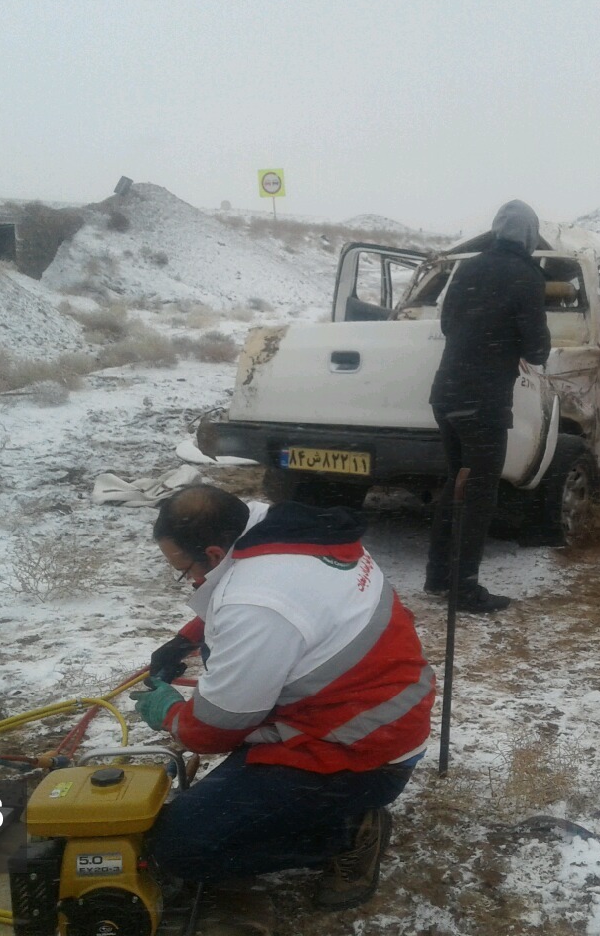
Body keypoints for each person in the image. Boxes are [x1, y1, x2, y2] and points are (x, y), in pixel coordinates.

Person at [133, 484, 435, 912]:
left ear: (216, 553)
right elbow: (276, 603)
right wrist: (184, 639)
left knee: (181, 847)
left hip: (357, 752)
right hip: (378, 715)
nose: (191, 579)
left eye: (184, 569)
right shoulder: (286, 529)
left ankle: (347, 833)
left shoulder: (259, 602)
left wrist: (169, 714)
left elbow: (214, 731)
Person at [424, 200, 551, 612]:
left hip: (446, 394)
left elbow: (447, 324)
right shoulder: (527, 275)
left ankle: (439, 575)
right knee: (480, 492)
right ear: (530, 236)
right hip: (483, 400)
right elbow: (536, 350)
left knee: (455, 481)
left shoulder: (469, 267)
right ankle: (465, 589)